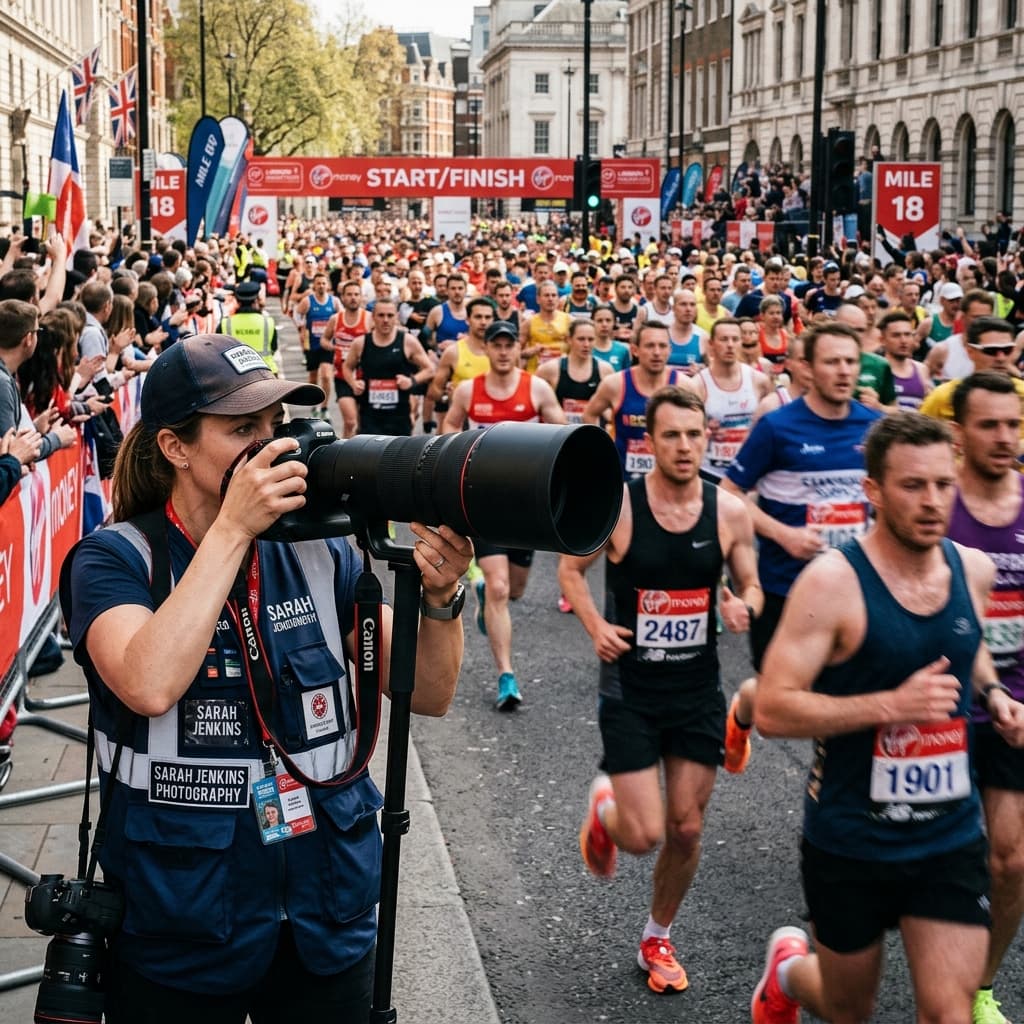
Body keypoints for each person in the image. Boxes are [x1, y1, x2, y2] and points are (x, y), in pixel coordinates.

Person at [65, 333, 472, 1021]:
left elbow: (428, 694)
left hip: (324, 916)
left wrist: (440, 601)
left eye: (274, 426)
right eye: (242, 429)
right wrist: (232, 531)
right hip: (184, 928)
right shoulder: (114, 560)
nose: (269, 445)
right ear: (175, 447)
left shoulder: (319, 550)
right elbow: (148, 683)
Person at [749, 412, 1024, 1024]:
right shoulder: (832, 585)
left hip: (948, 835)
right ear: (872, 490)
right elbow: (771, 707)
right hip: (852, 839)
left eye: (943, 485)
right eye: (912, 486)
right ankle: (788, 974)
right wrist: (890, 706)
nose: (932, 502)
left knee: (950, 1013)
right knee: (849, 1007)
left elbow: (967, 642)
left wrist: (993, 693)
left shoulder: (972, 570)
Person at [560, 386, 761, 995]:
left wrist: (741, 604)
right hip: (632, 690)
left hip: (697, 689)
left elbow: (751, 584)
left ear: (706, 438)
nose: (683, 446)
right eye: (670, 435)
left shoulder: (727, 512)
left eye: (693, 435)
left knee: (688, 828)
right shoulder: (620, 507)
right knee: (644, 834)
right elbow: (571, 569)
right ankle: (607, 813)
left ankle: (657, 936)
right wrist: (596, 627)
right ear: (649, 441)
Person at [721, 322, 883, 773]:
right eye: (832, 361)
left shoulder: (875, 429)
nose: (844, 371)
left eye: (852, 361)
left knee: (842, 703)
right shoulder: (777, 427)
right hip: (786, 589)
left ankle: (832, 789)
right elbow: (730, 493)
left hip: (854, 593)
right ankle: (744, 710)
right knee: (780, 704)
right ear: (808, 369)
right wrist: (783, 534)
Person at [946, 373, 1024, 1024]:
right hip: (937, 703)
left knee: (1011, 858)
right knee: (928, 858)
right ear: (959, 434)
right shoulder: (936, 506)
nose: (1004, 438)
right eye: (989, 425)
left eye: (1014, 425)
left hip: (1013, 708)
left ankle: (980, 984)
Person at [442, 320, 565, 709]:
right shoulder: (468, 391)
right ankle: (506, 676)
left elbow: (562, 437)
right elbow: (448, 428)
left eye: (509, 345)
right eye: (495, 345)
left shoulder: (537, 390)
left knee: (514, 589)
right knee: (497, 587)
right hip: (485, 502)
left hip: (527, 506)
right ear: (487, 349)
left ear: (518, 349)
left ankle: (486, 596)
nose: (503, 351)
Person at [584, 320, 693, 480]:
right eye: (650, 346)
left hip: (668, 480)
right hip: (622, 479)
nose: (656, 352)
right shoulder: (615, 384)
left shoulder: (684, 385)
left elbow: (698, 428)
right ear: (635, 350)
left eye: (662, 346)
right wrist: (599, 452)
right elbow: (589, 414)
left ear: (669, 350)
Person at [342, 296, 434, 436]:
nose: (385, 320)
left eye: (390, 315)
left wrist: (411, 381)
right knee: (371, 456)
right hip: (370, 417)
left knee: (399, 457)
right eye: (381, 315)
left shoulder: (407, 341)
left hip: (399, 416)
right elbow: (347, 367)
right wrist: (353, 383)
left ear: (396, 317)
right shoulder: (361, 343)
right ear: (373, 317)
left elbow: (429, 369)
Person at [321, 280, 372, 438]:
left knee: (363, 423)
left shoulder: (369, 318)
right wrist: (333, 348)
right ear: (342, 297)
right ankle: (345, 456)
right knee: (350, 422)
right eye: (349, 294)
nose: (353, 298)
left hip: (365, 376)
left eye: (356, 294)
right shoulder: (336, 319)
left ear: (361, 297)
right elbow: (324, 339)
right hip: (342, 376)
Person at [293, 272, 339, 420]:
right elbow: (297, 313)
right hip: (312, 344)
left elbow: (342, 317)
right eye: (318, 283)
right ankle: (314, 405)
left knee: (326, 375)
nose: (321, 286)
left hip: (327, 345)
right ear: (314, 285)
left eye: (324, 283)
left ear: (328, 285)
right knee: (313, 377)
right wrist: (301, 327)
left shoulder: (334, 301)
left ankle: (324, 408)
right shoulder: (308, 301)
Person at [217, 282, 278, 375]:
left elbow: (218, 350)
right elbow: (274, 347)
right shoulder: (268, 322)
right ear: (256, 301)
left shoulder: (225, 323)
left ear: (237, 301)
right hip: (266, 372)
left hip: (236, 375)